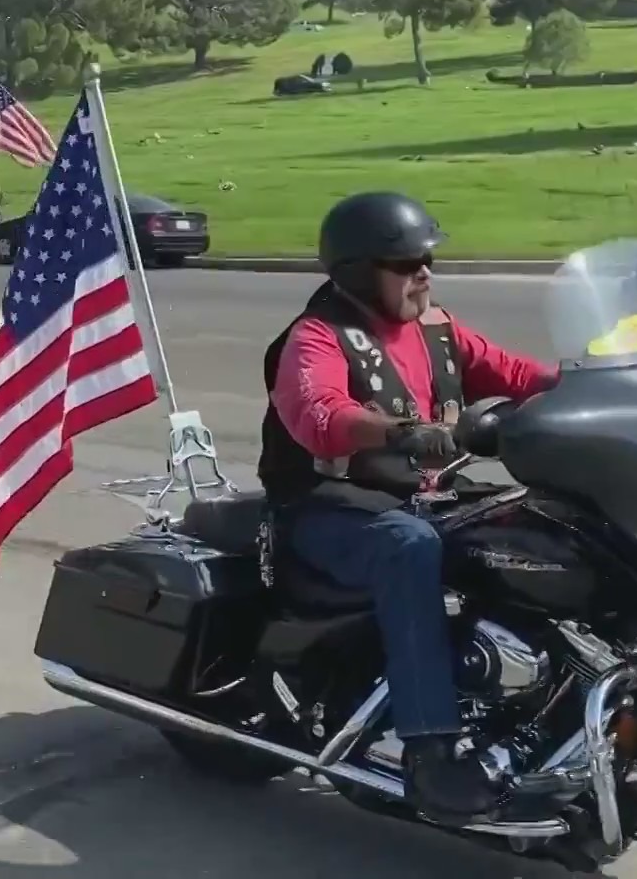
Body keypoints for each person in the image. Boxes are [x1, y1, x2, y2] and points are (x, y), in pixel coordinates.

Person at [258, 191, 559, 823]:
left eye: (428, 259)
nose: (425, 271)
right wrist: (398, 432)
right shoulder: (315, 338)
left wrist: (600, 378)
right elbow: (320, 415)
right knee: (409, 548)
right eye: (407, 263)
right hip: (329, 511)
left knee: (542, 525)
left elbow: (519, 374)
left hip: (427, 498)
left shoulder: (435, 328)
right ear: (360, 271)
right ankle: (431, 752)